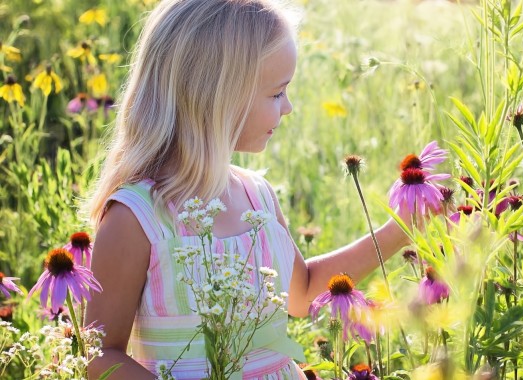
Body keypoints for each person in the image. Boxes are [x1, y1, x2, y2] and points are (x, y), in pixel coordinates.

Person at [83, 0, 411, 378]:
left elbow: (303, 294)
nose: (288, 107)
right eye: (276, 93)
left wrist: (396, 232)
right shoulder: (137, 218)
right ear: (217, 97)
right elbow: (100, 354)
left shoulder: (258, 196)